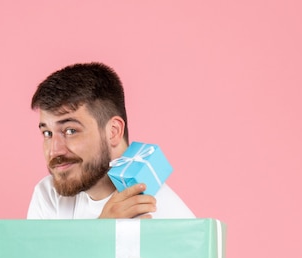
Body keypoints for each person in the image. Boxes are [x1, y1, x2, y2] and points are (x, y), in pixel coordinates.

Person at [27, 62, 195, 219]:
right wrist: (102, 233)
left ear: (113, 131)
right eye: (47, 133)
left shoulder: (160, 213)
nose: (54, 150)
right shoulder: (49, 194)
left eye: (70, 131)